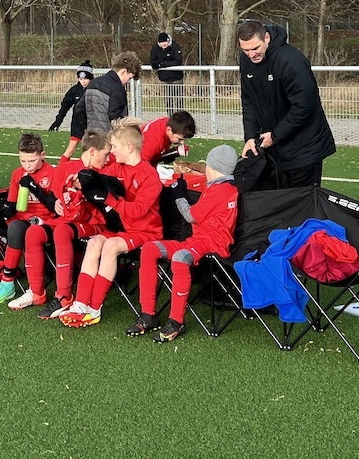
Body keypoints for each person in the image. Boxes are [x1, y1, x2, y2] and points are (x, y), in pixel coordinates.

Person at [127, 144, 240, 343]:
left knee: (180, 258)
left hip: (213, 244)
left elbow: (190, 216)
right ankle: (148, 314)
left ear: (213, 168)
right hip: (198, 241)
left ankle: (176, 321)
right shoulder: (224, 187)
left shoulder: (220, 190)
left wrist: (178, 195)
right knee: (150, 249)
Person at [60, 118, 163, 328]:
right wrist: (82, 182)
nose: (112, 152)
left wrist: (108, 198)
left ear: (129, 147)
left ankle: (94, 308)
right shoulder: (118, 167)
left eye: (114, 147)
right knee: (94, 242)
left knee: (110, 246)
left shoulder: (150, 176)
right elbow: (101, 180)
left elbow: (137, 211)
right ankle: (81, 303)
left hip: (145, 231)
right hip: (122, 229)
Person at [10, 129, 113, 315]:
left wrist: (84, 191)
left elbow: (108, 205)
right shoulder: (66, 169)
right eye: (105, 154)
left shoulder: (105, 172)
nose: (107, 159)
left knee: (62, 231)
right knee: (33, 232)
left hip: (93, 223)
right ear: (92, 151)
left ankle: (64, 295)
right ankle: (36, 292)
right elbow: (54, 198)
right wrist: (56, 203)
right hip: (65, 220)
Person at [237, 19, 336, 188]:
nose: (251, 54)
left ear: (266, 38)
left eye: (255, 48)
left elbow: (304, 106)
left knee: (302, 201)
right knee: (277, 199)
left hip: (304, 148)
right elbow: (249, 101)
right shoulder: (246, 61)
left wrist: (275, 136)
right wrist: (250, 137)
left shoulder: (291, 61)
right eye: (246, 50)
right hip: (274, 149)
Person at [0, 133, 58, 305]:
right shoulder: (17, 174)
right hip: (20, 217)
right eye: (22, 161)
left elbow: (54, 207)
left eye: (32, 161)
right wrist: (6, 210)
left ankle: (7, 283)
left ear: (42, 155)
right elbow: (12, 204)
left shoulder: (52, 173)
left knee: (16, 227)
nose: (27, 165)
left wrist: (34, 186)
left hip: (42, 221)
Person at [69, 51, 140, 151]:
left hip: (92, 137)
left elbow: (79, 109)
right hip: (107, 141)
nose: (127, 82)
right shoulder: (117, 89)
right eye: (129, 78)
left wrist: (87, 131)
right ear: (123, 72)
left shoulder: (93, 83)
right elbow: (116, 118)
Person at [49, 61, 93, 141]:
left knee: (91, 146)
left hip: (92, 125)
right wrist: (58, 121)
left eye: (86, 79)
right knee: (72, 146)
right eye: (81, 79)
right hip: (77, 125)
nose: (83, 81)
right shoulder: (74, 90)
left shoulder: (95, 89)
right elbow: (65, 106)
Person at [149, 32, 185, 111]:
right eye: (162, 42)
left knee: (178, 100)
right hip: (164, 79)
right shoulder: (155, 49)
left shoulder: (175, 46)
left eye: (165, 41)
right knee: (168, 100)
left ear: (168, 41)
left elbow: (178, 61)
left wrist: (163, 64)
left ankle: (180, 117)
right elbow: (153, 62)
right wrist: (160, 63)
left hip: (176, 78)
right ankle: (170, 116)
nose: (164, 44)